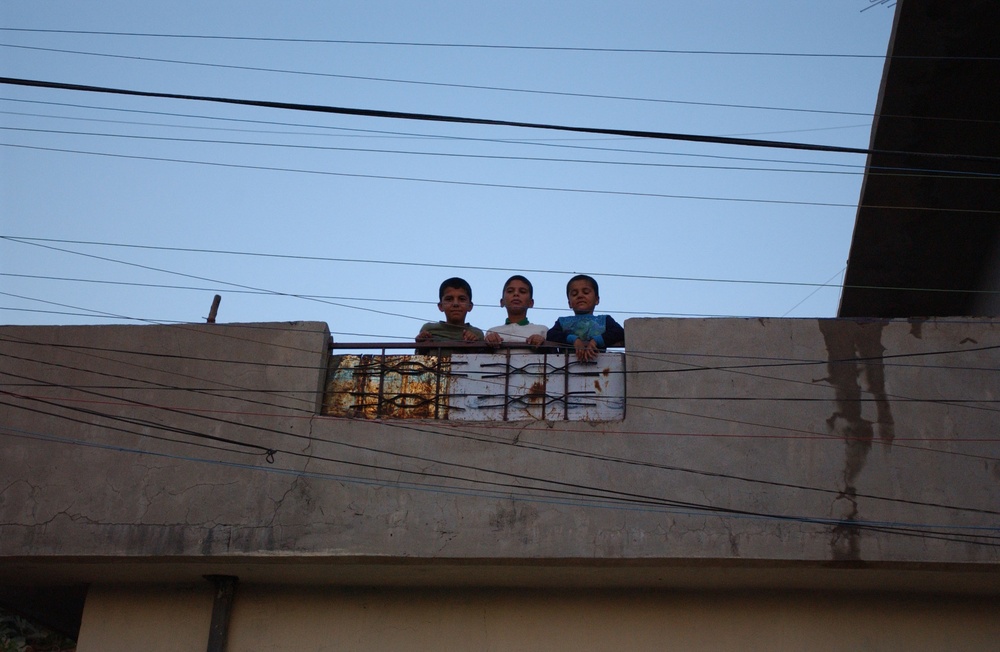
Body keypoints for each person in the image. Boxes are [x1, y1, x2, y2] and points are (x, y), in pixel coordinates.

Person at [546, 274, 625, 362]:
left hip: (600, 366)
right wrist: (574, 340)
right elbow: (551, 335)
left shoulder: (604, 320)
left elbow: (619, 332)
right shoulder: (563, 321)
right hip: (568, 368)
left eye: (586, 292)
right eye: (574, 294)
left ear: (597, 300)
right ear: (569, 303)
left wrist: (596, 341)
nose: (580, 296)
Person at [415, 277, 485, 353]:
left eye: (461, 299)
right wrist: (422, 346)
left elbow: (481, 361)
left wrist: (473, 346)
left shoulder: (477, 334)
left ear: (470, 306)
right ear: (441, 306)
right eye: (449, 299)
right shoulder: (429, 330)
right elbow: (419, 360)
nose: (455, 304)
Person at [485, 275, 548, 348]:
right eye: (510, 291)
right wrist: (490, 340)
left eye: (522, 291)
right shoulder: (492, 332)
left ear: (531, 303)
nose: (516, 294)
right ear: (502, 302)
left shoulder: (542, 331)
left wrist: (541, 341)